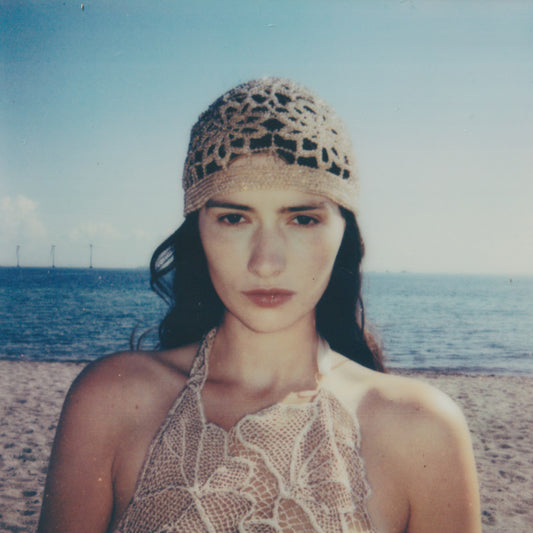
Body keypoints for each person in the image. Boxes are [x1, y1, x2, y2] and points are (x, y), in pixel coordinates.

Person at [38, 78, 481, 532]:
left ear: (344, 231)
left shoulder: (425, 431)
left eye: (302, 219)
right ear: (198, 230)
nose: (266, 262)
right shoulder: (110, 401)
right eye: (234, 217)